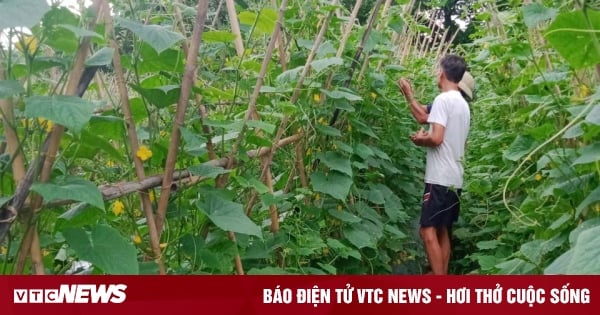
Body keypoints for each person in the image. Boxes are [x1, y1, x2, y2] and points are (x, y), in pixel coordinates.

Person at [397, 55, 471, 275]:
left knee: (427, 231)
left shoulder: (443, 100)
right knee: (442, 230)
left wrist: (421, 140)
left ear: (442, 73)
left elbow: (436, 138)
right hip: (455, 177)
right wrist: (409, 96)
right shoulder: (462, 104)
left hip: (439, 177)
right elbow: (423, 117)